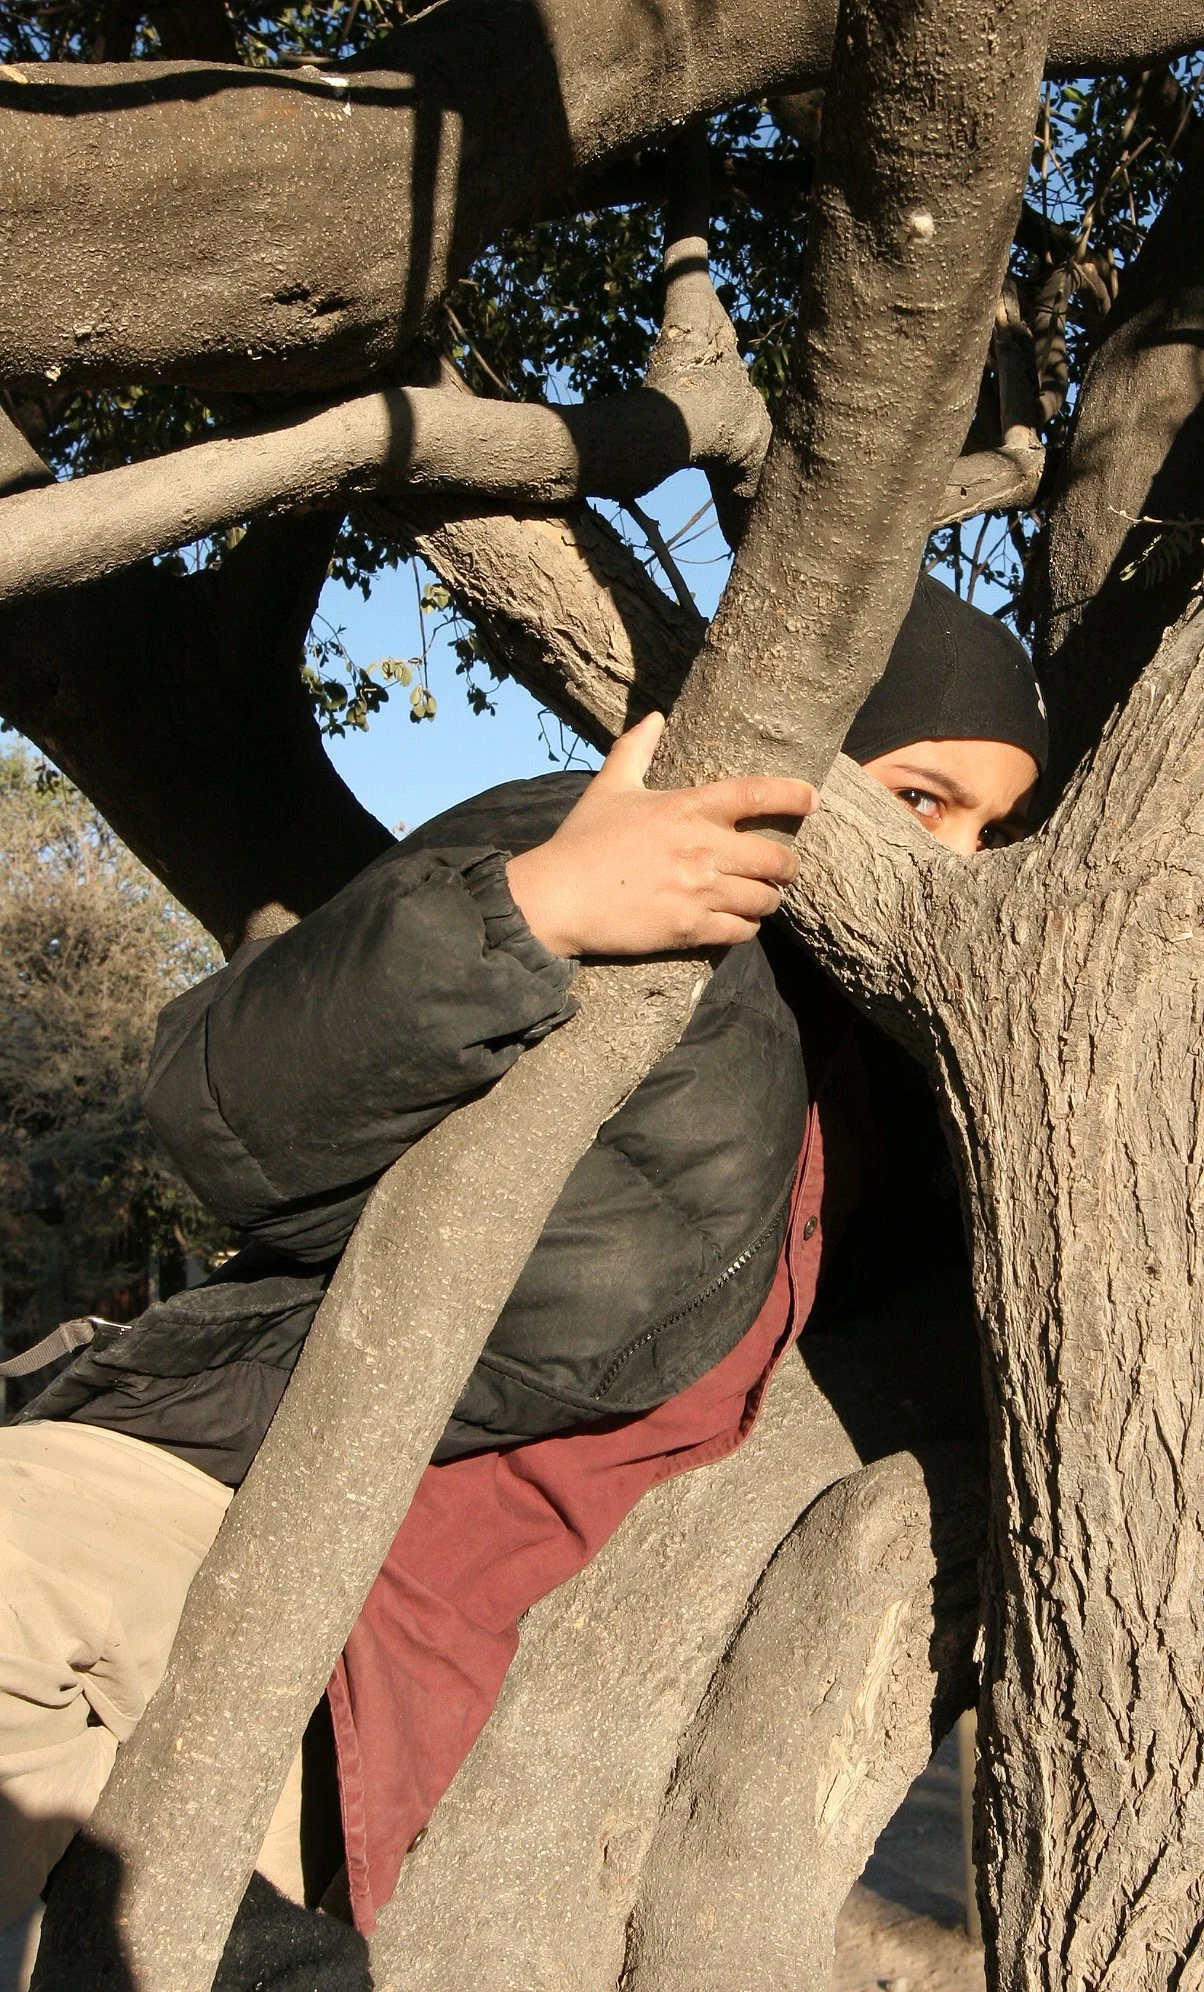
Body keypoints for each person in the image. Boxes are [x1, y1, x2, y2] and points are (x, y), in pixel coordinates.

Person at [0, 577, 1046, 1969]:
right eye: (919, 800)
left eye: (994, 831)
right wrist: (532, 908)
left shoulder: (911, 1098)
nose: (954, 865)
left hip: (397, 1664)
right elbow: (222, 1103)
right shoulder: (617, 851)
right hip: (219, 1488)